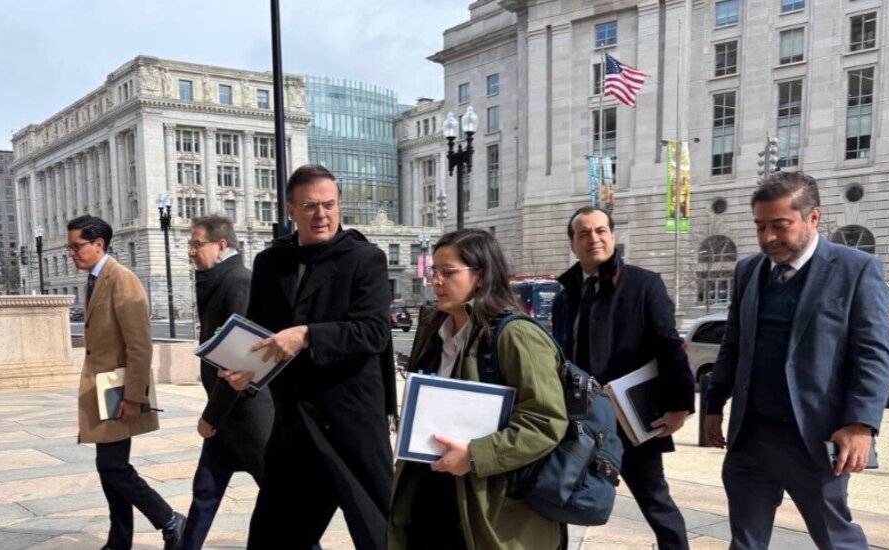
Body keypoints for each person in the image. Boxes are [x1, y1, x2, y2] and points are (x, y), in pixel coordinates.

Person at [704, 172, 889, 549]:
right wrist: (714, 404)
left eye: (780, 226)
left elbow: (872, 353)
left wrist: (861, 424)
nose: (768, 238)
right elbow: (734, 343)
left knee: (836, 540)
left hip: (814, 439)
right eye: (760, 226)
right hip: (750, 439)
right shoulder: (748, 271)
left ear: (814, 217)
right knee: (745, 542)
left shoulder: (856, 270)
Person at [219, 164, 396, 550]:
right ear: (291, 210)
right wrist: (247, 371)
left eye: (329, 205)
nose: (322, 215)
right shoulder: (270, 263)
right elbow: (261, 333)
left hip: (352, 424)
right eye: (311, 206)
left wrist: (308, 336)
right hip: (294, 425)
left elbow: (374, 331)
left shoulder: (364, 259)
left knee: (381, 532)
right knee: (272, 536)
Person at [388, 229, 569, 549]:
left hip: (487, 506)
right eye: (434, 271)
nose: (436, 281)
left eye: (448, 272)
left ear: (481, 276)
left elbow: (545, 421)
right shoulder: (433, 330)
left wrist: (473, 455)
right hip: (428, 494)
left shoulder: (516, 335)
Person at [549, 206, 695, 550]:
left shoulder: (644, 284)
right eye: (583, 233)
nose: (593, 238)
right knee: (556, 496)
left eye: (601, 231)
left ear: (612, 236)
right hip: (579, 421)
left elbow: (670, 346)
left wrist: (679, 406)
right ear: (573, 244)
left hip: (632, 420)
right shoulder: (564, 296)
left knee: (656, 503)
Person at [68, 215, 186, 550]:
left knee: (113, 467)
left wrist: (134, 396)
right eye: (70, 246)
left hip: (119, 393)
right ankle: (119, 541)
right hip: (105, 391)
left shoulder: (122, 279)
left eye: (77, 246)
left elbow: (139, 344)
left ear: (98, 244)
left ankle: (169, 519)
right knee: (110, 468)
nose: (72, 253)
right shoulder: (95, 278)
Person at [182, 216, 273, 550]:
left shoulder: (238, 282)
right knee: (205, 490)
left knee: (280, 503)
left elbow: (240, 361)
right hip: (226, 417)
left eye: (196, 244)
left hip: (248, 416)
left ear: (221, 245)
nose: (191, 252)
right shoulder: (219, 281)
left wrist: (211, 416)